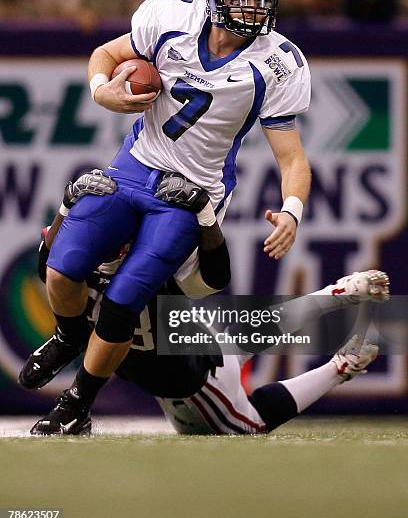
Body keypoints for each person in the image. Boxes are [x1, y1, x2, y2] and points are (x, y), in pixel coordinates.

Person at [34, 0, 312, 420]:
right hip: (133, 167)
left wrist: (291, 210)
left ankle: (78, 400)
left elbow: (292, 157)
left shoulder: (276, 62)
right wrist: (102, 89)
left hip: (190, 191)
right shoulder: (170, 15)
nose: (251, 9)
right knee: (61, 268)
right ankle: (67, 333)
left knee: (126, 298)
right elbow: (106, 54)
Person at [24, 171, 389, 435]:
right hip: (193, 336)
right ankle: (336, 294)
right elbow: (213, 276)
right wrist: (204, 216)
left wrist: (67, 208)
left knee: (248, 422)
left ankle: (341, 366)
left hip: (188, 379)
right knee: (257, 330)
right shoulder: (121, 262)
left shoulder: (88, 267)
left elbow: (51, 256)